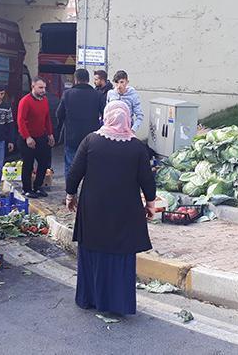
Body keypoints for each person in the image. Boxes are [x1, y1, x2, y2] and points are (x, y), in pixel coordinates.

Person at [66, 100, 157, 316]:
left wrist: (70, 196)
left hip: (93, 209)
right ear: (128, 118)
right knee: (119, 257)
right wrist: (150, 204)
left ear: (106, 116)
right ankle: (118, 303)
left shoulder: (91, 141)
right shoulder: (136, 147)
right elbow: (147, 180)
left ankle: (90, 299)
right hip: (124, 212)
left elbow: (74, 173)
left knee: (93, 252)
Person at [56, 68, 103, 177]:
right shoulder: (97, 95)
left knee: (70, 166)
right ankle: (89, 192)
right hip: (91, 138)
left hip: (72, 137)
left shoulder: (67, 94)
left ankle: (70, 192)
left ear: (76, 80)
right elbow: (105, 114)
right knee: (91, 166)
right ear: (88, 80)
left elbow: (59, 114)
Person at [17, 77, 55, 199]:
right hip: (27, 137)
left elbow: (47, 118)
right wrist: (27, 137)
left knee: (43, 162)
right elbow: (21, 120)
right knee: (28, 164)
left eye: (44, 87)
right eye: (40, 87)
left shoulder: (44, 100)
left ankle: (38, 186)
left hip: (41, 136)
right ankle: (26, 188)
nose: (43, 90)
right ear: (33, 87)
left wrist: (50, 134)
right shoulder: (25, 101)